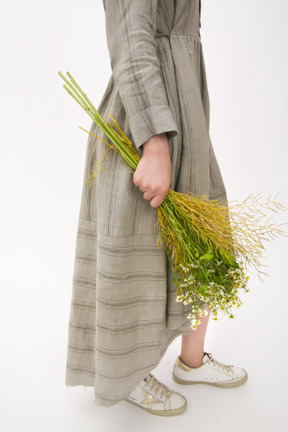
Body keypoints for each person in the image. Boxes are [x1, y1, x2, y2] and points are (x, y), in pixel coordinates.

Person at [65, 0, 248, 416]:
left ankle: (192, 361)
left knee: (204, 238)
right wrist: (154, 140)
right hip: (146, 123)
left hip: (188, 118)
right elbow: (131, 39)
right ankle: (126, 377)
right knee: (137, 247)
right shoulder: (152, 135)